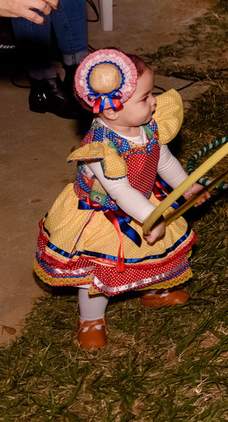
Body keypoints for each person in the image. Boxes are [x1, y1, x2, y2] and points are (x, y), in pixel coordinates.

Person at [33, 48, 209, 349]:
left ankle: (153, 291)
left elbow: (162, 161)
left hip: (139, 202)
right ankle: (91, 319)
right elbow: (120, 190)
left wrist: (186, 186)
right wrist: (151, 217)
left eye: (151, 93)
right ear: (112, 110)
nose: (154, 101)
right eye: (145, 98)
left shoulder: (149, 126)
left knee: (153, 253)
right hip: (103, 213)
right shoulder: (101, 149)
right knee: (100, 271)